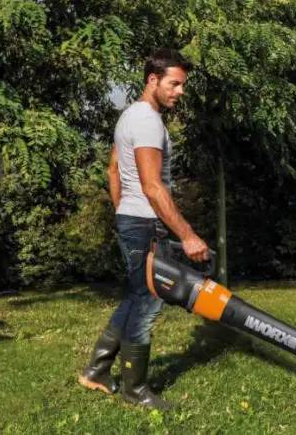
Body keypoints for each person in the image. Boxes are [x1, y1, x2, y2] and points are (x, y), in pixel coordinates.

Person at [78, 49, 210, 410]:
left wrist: (123, 210)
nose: (180, 91)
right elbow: (153, 187)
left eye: (182, 84)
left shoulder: (128, 117)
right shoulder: (149, 121)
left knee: (137, 296)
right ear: (152, 79)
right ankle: (135, 389)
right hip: (146, 224)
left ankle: (97, 370)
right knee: (150, 302)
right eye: (174, 83)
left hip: (132, 219)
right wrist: (187, 235)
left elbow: (113, 171)